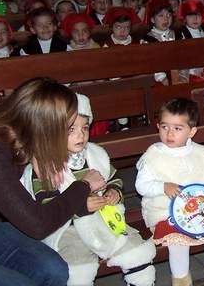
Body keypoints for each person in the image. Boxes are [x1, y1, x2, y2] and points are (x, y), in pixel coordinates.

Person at [21, 94, 156, 286]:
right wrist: (81, 207)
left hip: (103, 222)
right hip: (66, 229)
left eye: (84, 128)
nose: (80, 135)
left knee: (135, 252)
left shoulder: (94, 155)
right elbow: (46, 207)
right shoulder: (45, 167)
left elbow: (114, 178)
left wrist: (114, 192)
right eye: (71, 129)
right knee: (77, 268)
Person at [0, 78, 106, 285]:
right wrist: (83, 186)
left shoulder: (13, 128)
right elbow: (38, 225)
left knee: (54, 269)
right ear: (45, 127)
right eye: (67, 128)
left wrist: (35, 152)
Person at [136, 99, 204, 286]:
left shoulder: (202, 153)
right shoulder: (154, 155)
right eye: (164, 127)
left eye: (177, 128)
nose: (169, 133)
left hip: (200, 211)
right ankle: (181, 281)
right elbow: (141, 186)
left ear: (191, 131)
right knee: (177, 244)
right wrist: (163, 186)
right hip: (167, 213)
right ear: (158, 127)